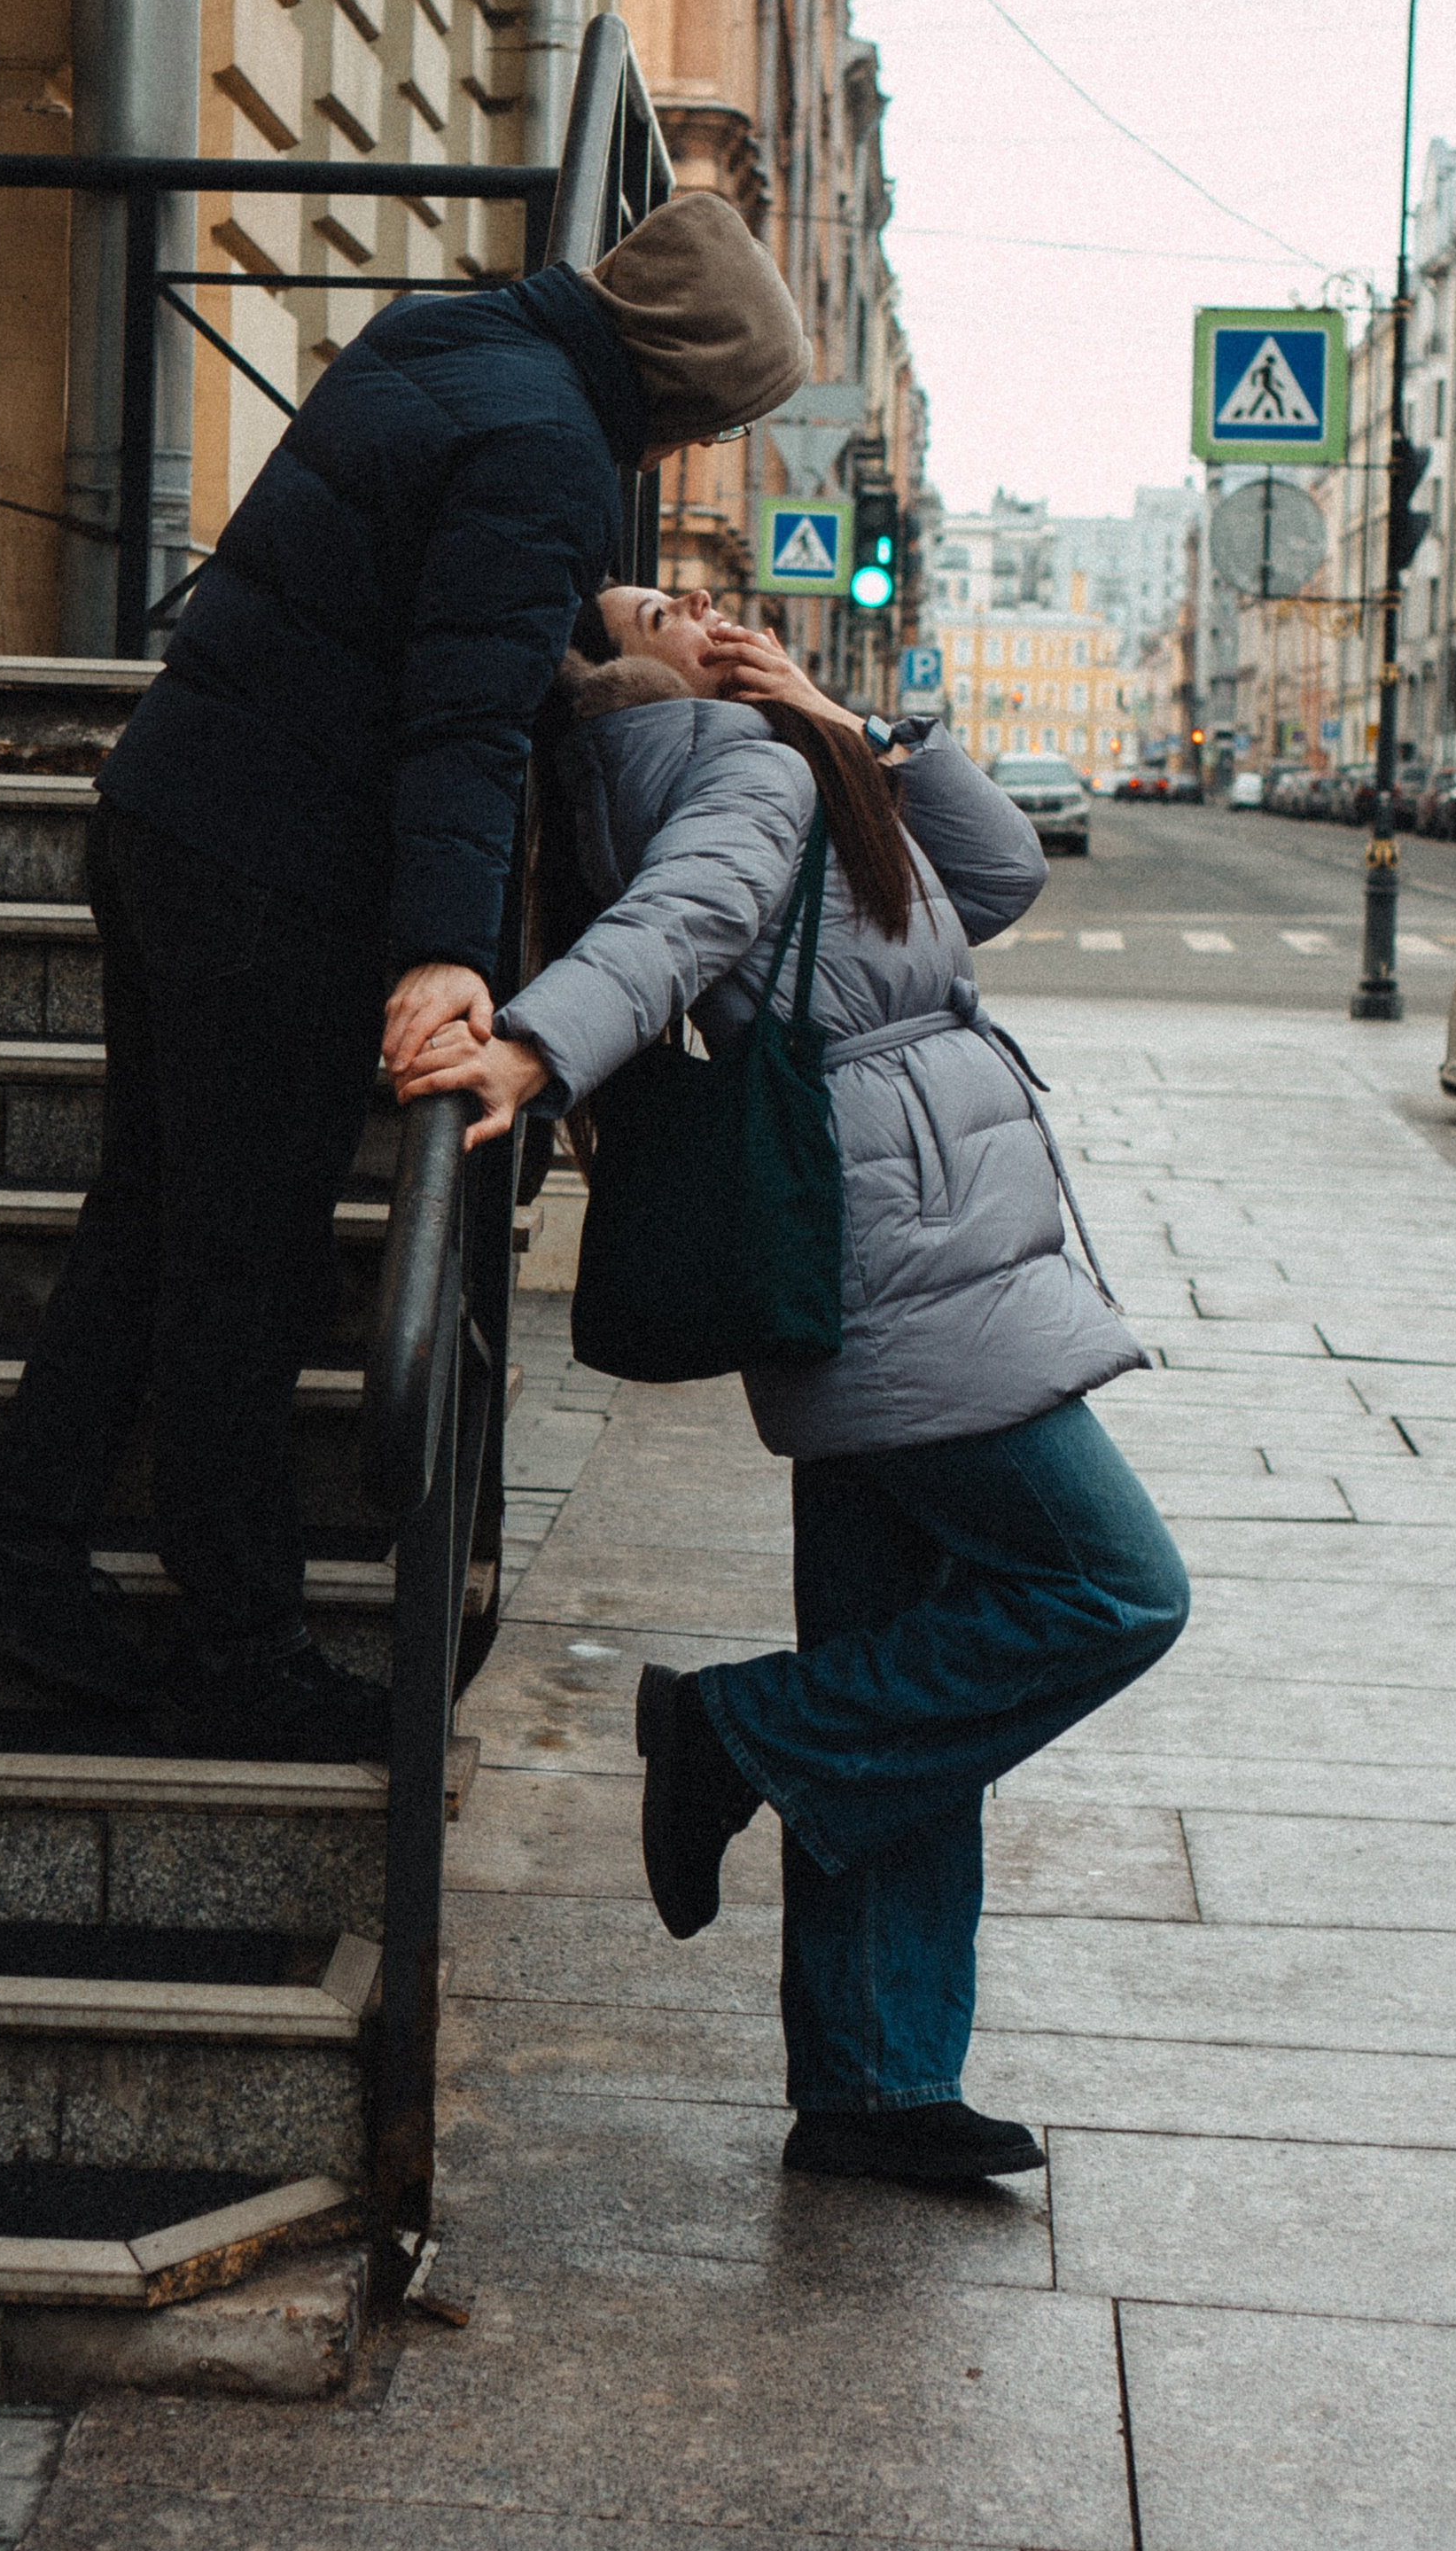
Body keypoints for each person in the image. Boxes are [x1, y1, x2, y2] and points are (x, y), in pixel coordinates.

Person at [0, 199, 807, 1761]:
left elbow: (403, 588)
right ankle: (239, 1647)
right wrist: (445, 952)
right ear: (678, 379)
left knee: (149, 1218)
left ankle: (20, 1553)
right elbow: (460, 722)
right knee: (245, 1268)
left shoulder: (444, 336)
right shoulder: (554, 450)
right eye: (710, 419)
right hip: (277, 873)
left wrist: (580, 615)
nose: (685, 450)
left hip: (169, 811)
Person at [404, 595, 1187, 2187]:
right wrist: (535, 1054)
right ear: (631, 669)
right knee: (1113, 1590)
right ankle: (731, 1733)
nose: (707, 606)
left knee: (900, 1678)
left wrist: (849, 721)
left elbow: (995, 878)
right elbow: (682, 921)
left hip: (891, 1248)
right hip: (914, 1257)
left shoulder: (768, 756)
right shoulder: (735, 767)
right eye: (665, 605)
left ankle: (873, 2081)